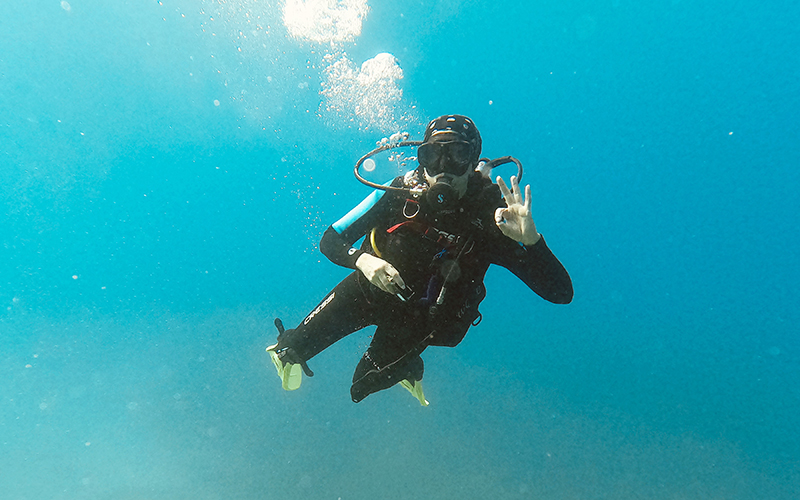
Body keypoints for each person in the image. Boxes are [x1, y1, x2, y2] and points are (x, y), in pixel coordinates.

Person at [267, 114, 572, 405]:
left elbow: (560, 293)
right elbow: (332, 238)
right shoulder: (399, 192)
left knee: (361, 388)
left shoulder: (491, 219)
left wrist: (532, 242)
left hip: (419, 321)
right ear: (420, 159)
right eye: (432, 156)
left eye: (456, 155)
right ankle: (295, 347)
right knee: (290, 350)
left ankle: (409, 368)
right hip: (367, 291)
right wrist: (363, 261)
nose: (443, 168)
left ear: (472, 161)